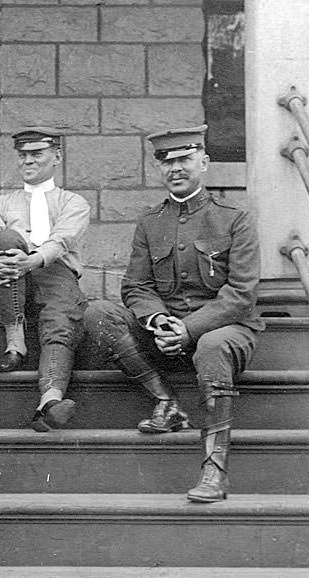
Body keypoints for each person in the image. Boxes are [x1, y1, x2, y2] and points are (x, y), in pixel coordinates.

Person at [84, 125, 263, 502]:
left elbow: (241, 294)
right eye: (166, 162)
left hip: (226, 330)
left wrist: (187, 328)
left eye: (183, 159)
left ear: (205, 162)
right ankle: (166, 402)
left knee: (212, 346)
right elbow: (136, 286)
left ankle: (214, 470)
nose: (175, 168)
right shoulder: (151, 221)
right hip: (167, 330)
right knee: (98, 313)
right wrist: (157, 320)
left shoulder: (234, 219)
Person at [0, 127, 91, 432]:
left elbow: (62, 240)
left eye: (36, 154)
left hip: (56, 278)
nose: (28, 161)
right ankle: (16, 342)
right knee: (6, 239)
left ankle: (49, 402)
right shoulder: (1, 204)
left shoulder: (72, 202)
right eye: (23, 155)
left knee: (59, 322)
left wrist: (33, 260)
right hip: (9, 283)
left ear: (57, 157)